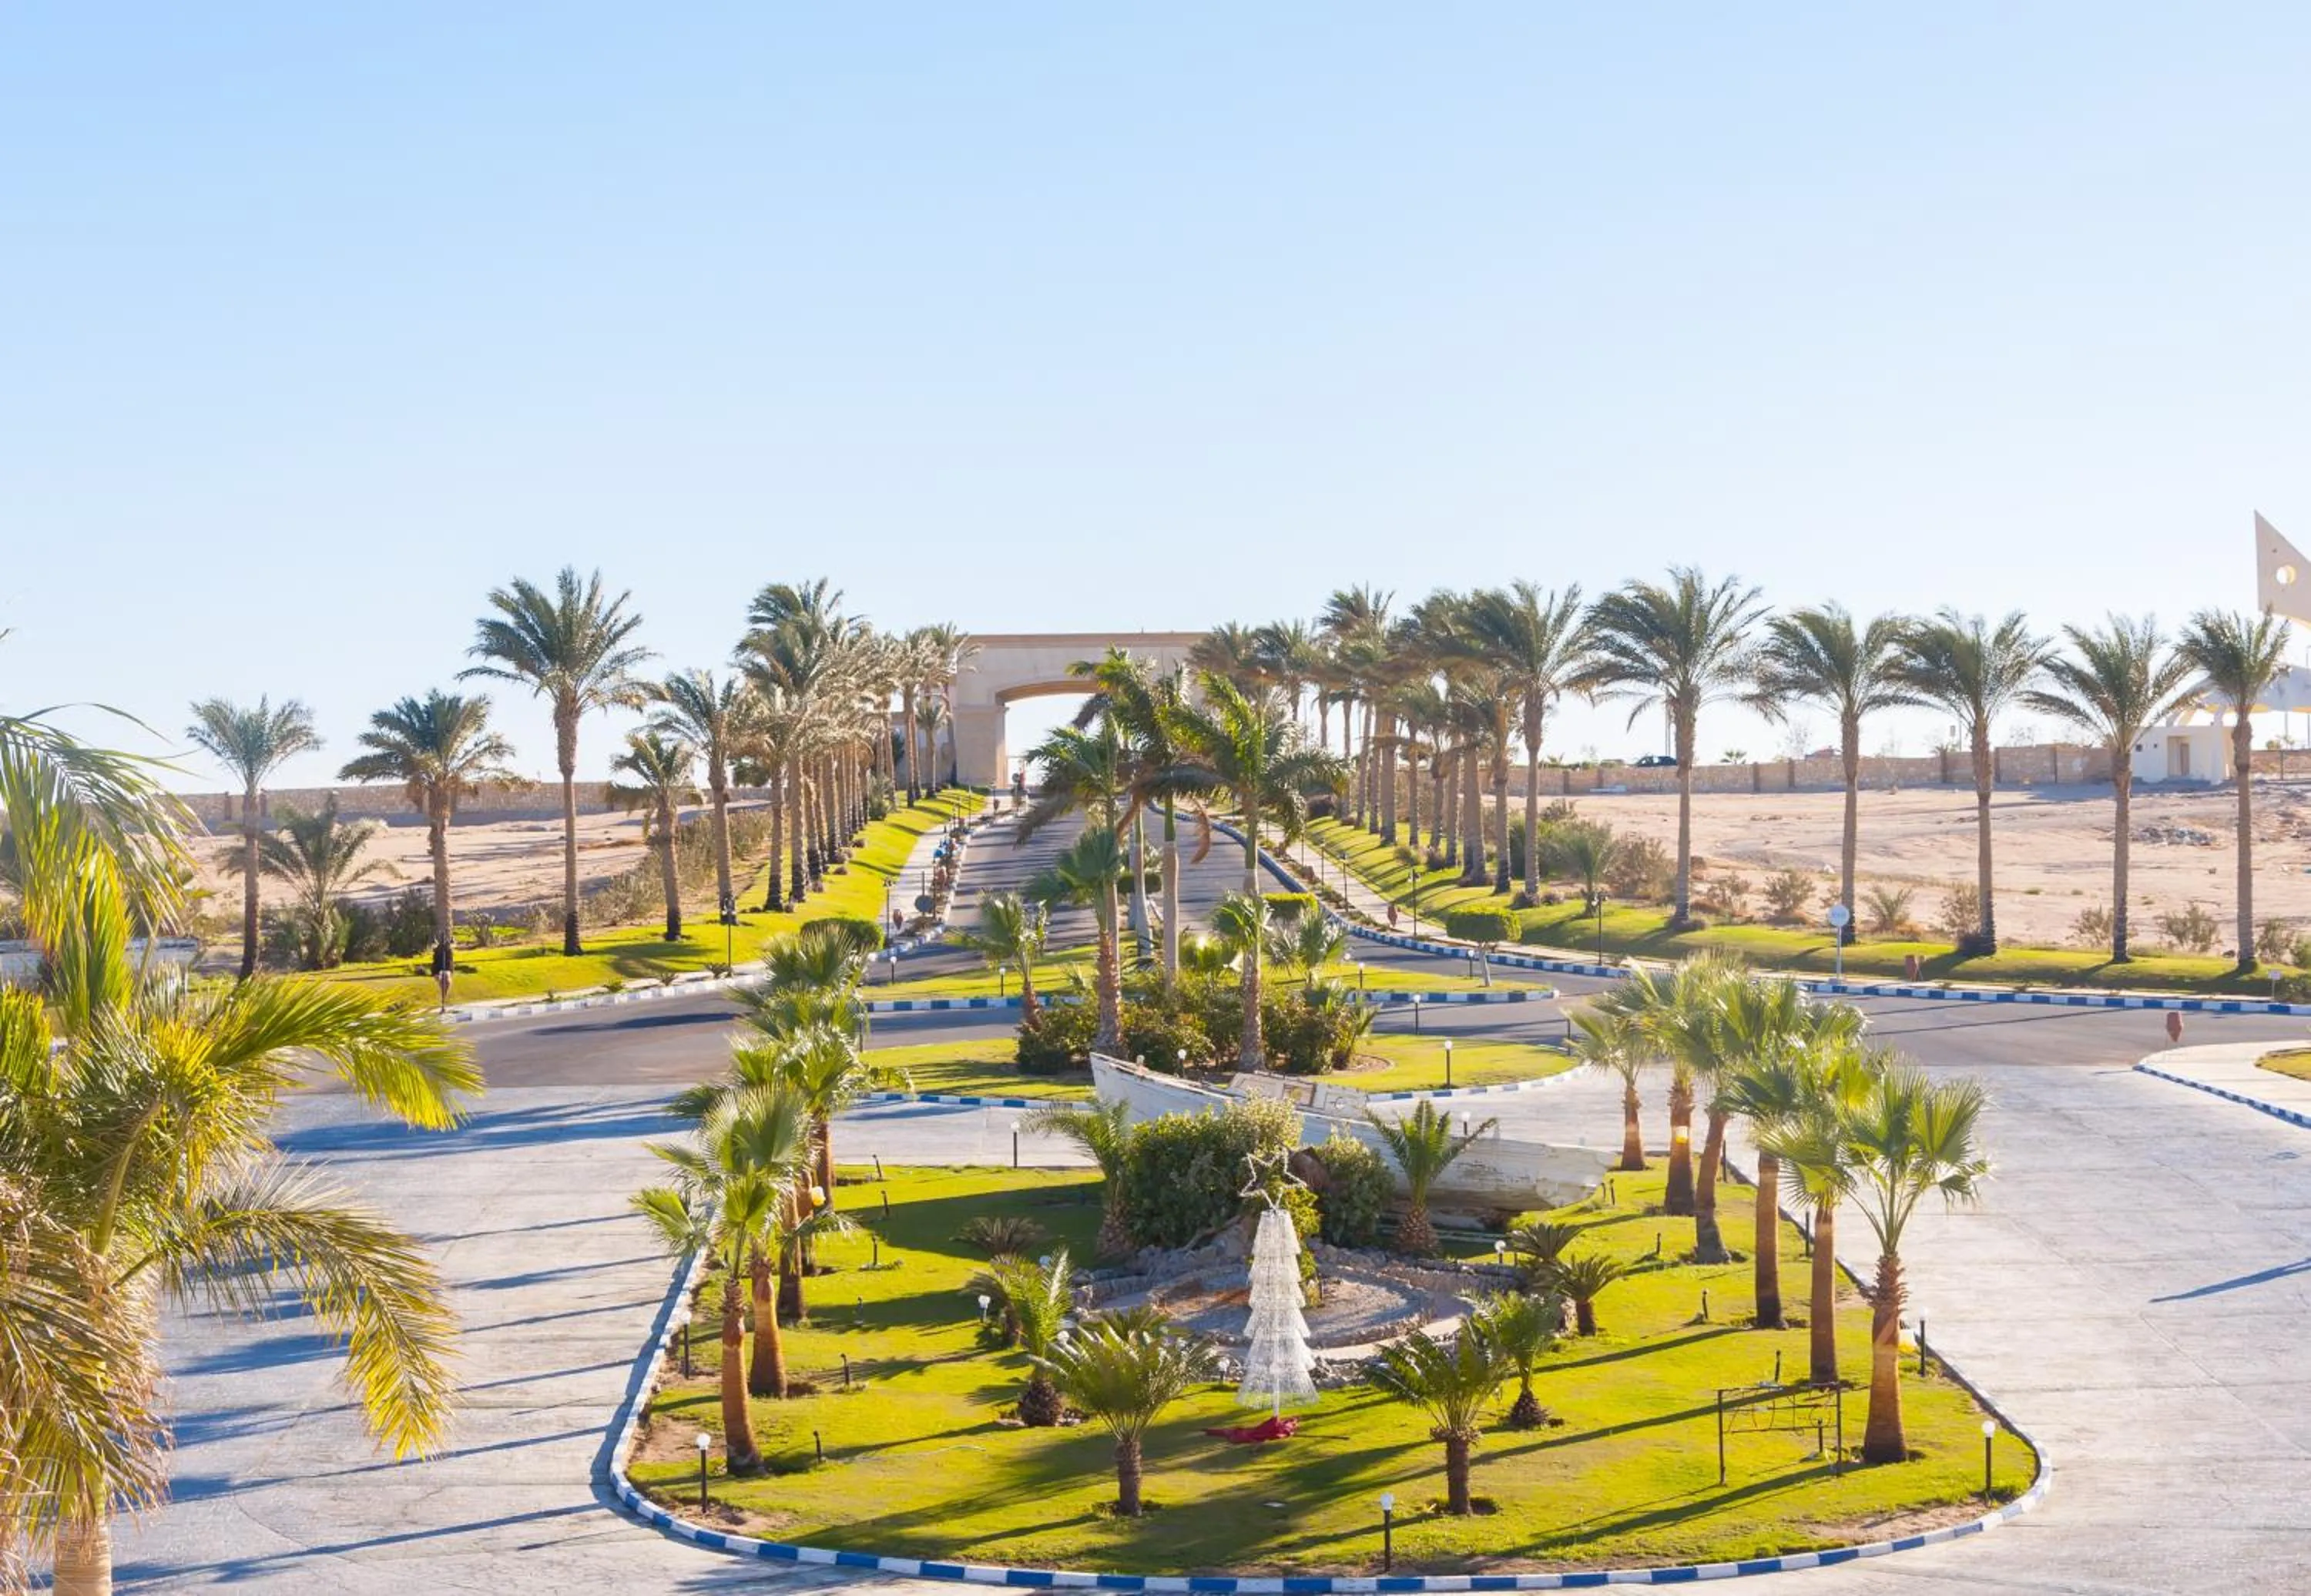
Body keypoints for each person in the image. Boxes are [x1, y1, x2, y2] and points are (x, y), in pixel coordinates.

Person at [431, 939, 454, 1011]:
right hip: (438, 969)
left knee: (446, 981)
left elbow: (450, 961)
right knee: (442, 982)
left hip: (446, 968)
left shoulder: (448, 951)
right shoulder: (437, 951)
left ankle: (443, 1001)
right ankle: (443, 1001)